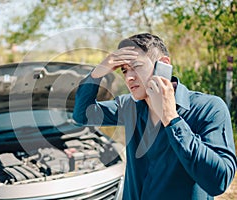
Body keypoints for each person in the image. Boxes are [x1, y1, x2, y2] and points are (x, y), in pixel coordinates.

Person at [73, 33, 236, 200]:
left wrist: (171, 119)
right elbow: (82, 115)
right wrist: (99, 72)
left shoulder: (209, 108)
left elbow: (219, 182)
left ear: (163, 65)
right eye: (124, 70)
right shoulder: (128, 106)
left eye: (136, 66)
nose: (129, 77)